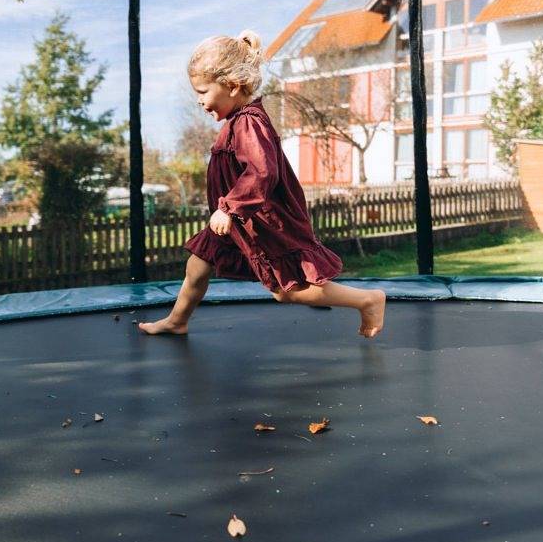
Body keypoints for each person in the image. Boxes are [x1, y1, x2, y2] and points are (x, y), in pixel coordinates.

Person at [138, 30, 386, 338]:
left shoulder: (248, 123)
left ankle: (367, 299)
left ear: (232, 85)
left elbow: (263, 172)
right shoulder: (237, 121)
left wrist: (229, 208)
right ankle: (177, 320)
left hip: (264, 222)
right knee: (197, 265)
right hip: (238, 221)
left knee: (286, 291)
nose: (200, 101)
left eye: (203, 92)